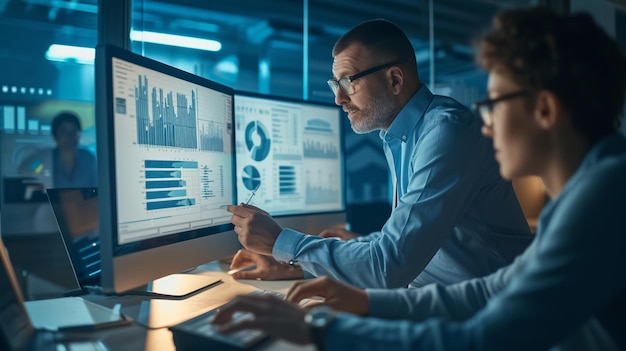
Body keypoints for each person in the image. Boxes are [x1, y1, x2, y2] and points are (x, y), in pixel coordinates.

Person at [213, 6, 626, 350]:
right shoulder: (589, 193)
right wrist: (364, 303)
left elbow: (479, 335)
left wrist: (319, 327)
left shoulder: (601, 202)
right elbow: (486, 292)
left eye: (494, 104)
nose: (484, 124)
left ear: (545, 110)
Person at [226, 18, 533, 288]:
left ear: (395, 79)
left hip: (492, 316)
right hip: (438, 300)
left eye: (347, 82)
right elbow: (411, 247)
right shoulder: (401, 135)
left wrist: (280, 242)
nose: (338, 98)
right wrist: (296, 262)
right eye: (335, 83)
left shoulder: (446, 132)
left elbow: (390, 265)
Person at [19, 111, 98, 189]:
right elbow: (25, 170)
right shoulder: (43, 160)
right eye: (64, 131)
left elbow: (99, 188)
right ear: (55, 135)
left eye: (74, 131)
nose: (70, 136)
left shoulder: (88, 159)